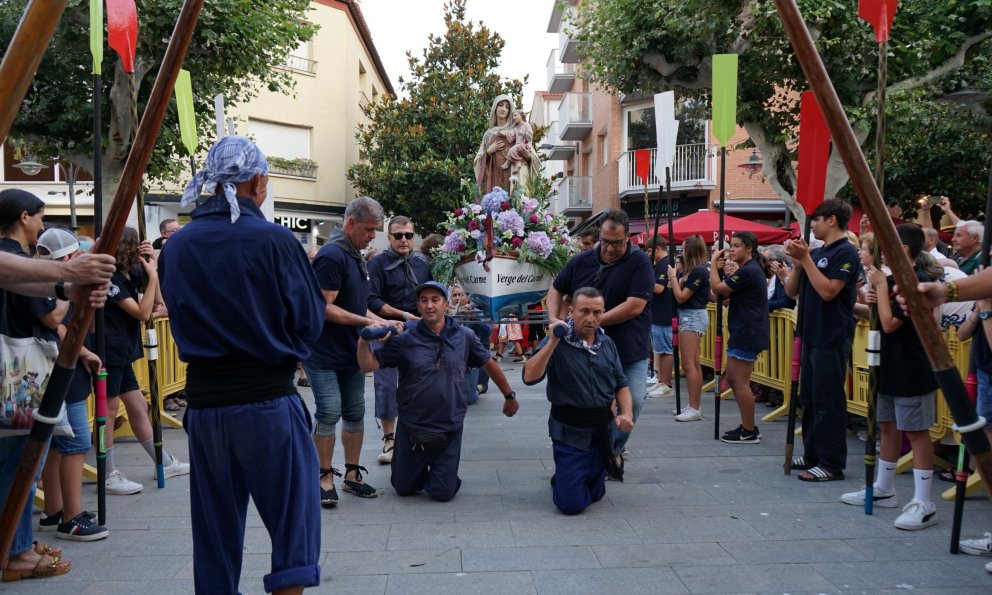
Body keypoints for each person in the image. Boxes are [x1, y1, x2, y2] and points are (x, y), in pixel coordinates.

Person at [159, 135, 325, 594]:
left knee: (214, 528)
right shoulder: (274, 240)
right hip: (268, 400)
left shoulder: (177, 245)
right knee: (293, 519)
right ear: (256, 181)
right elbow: (309, 320)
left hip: (207, 407)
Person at [357, 281, 517, 502]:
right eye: (424, 301)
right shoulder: (404, 339)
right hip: (412, 427)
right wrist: (363, 341)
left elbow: (488, 364)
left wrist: (509, 396)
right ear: (418, 307)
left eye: (435, 300)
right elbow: (368, 366)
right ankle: (415, 466)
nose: (429, 305)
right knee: (403, 488)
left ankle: (441, 470)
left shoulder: (464, 336)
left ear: (446, 304)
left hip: (449, 426)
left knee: (442, 493)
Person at [840, 224, 941, 529]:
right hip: (888, 362)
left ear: (903, 250)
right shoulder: (892, 279)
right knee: (886, 424)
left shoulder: (913, 281)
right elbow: (880, 317)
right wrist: (873, 298)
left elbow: (890, 323)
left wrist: (881, 289)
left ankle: (924, 500)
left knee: (916, 430)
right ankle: (884, 487)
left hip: (912, 365)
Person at [0, 189, 74, 581]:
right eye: (40, 217)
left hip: (12, 367)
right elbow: (42, 311)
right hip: (16, 373)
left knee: (16, 463)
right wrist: (68, 283)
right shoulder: (13, 258)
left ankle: (18, 543)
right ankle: (15, 550)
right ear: (24, 216)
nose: (43, 226)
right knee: (21, 464)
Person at [546, 209, 653, 471]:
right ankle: (594, 452)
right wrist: (554, 319)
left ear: (628, 237)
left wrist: (593, 320)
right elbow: (556, 289)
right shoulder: (582, 260)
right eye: (605, 241)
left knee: (634, 400)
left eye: (616, 242)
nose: (610, 248)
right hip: (586, 350)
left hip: (629, 346)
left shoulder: (639, 263)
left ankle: (612, 448)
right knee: (592, 404)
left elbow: (635, 305)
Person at [306, 196, 392, 505]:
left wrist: (383, 320)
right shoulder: (332, 255)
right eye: (369, 229)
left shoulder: (354, 254)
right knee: (329, 412)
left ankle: (353, 475)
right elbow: (323, 308)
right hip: (323, 353)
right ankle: (324, 476)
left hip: (350, 353)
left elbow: (358, 303)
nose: (373, 236)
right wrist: (364, 322)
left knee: (355, 412)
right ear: (351, 223)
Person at [523, 287, 633, 514]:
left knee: (596, 495)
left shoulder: (607, 343)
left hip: (602, 430)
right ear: (572, 312)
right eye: (584, 312)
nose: (591, 319)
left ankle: (568, 476)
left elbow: (621, 383)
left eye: (597, 313)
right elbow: (529, 377)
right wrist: (552, 341)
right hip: (569, 432)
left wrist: (627, 414)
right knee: (571, 505)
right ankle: (565, 477)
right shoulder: (556, 340)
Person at [100, 228, 190, 496]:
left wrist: (153, 270)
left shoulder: (133, 273)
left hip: (125, 349)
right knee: (109, 410)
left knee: (139, 405)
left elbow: (158, 302)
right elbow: (141, 312)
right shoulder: (112, 279)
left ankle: (162, 461)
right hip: (110, 350)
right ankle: (109, 474)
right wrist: (151, 277)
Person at [34, 228, 108, 541]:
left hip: (61, 366)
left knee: (56, 445)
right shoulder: (43, 282)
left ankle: (55, 511)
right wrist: (68, 285)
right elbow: (57, 324)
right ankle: (71, 517)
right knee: (75, 443)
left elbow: (79, 324)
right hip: (58, 368)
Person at [784, 199, 861, 482]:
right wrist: (798, 264)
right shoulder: (816, 254)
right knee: (811, 399)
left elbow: (829, 291)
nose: (812, 224)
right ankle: (813, 453)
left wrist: (806, 260)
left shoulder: (846, 252)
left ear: (832, 220)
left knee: (829, 400)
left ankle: (831, 463)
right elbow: (793, 291)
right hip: (811, 333)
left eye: (816, 219)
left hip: (832, 335)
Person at [366, 215, 432, 465]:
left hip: (418, 331)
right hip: (387, 330)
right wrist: (401, 316)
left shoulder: (423, 263)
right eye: (398, 235)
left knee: (420, 382)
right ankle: (389, 439)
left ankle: (417, 434)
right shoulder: (377, 264)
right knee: (385, 385)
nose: (404, 240)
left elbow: (432, 293)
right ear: (389, 237)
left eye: (408, 235)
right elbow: (371, 300)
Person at [710, 232, 770, 443]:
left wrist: (712, 264)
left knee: (739, 380)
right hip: (743, 329)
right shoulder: (747, 271)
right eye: (731, 246)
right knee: (736, 380)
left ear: (749, 249)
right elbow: (722, 296)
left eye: (736, 246)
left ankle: (749, 429)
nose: (732, 249)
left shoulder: (749, 271)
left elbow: (718, 289)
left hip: (748, 330)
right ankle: (748, 425)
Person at [667, 235, 710, 422]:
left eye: (683, 248)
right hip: (690, 315)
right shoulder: (693, 270)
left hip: (692, 316)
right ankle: (694, 404)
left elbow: (681, 297)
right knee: (694, 363)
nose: (681, 251)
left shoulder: (699, 271)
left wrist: (673, 279)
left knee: (688, 364)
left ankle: (694, 407)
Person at [473, 95, 538, 193]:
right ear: (495, 107)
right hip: (496, 177)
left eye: (507, 107)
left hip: (515, 175)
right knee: (497, 203)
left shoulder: (517, 129)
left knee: (515, 202)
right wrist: (489, 151)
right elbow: (477, 161)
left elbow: (532, 156)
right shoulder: (488, 134)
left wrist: (527, 155)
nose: (503, 109)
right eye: (500, 105)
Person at [645, 235, 674, 398]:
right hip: (658, 313)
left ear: (658, 248)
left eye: (650, 250)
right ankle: (661, 380)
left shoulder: (664, 264)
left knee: (665, 350)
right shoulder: (659, 264)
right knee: (660, 349)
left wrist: (643, 279)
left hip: (664, 313)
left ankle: (666, 383)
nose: (648, 254)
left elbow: (659, 288)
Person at [502, 110, 534, 176]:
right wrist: (504, 134)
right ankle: (517, 163)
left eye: (515, 115)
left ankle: (510, 162)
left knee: (512, 149)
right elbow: (510, 134)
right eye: (513, 117)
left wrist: (523, 134)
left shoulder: (526, 125)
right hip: (518, 145)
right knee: (512, 149)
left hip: (525, 145)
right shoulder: (516, 128)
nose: (514, 118)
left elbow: (530, 137)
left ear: (521, 115)